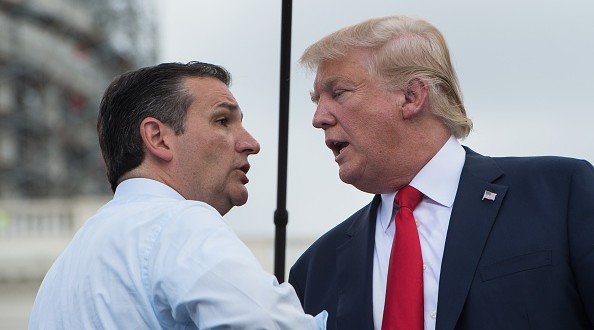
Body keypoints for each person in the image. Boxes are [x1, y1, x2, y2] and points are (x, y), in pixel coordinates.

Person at [288, 15, 594, 330]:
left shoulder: (560, 194)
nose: (318, 117)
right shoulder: (315, 270)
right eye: (316, 100)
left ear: (411, 97)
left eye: (338, 93)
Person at [30, 62, 327, 329]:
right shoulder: (179, 223)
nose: (251, 143)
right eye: (223, 121)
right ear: (158, 138)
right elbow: (270, 324)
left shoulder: (62, 273)